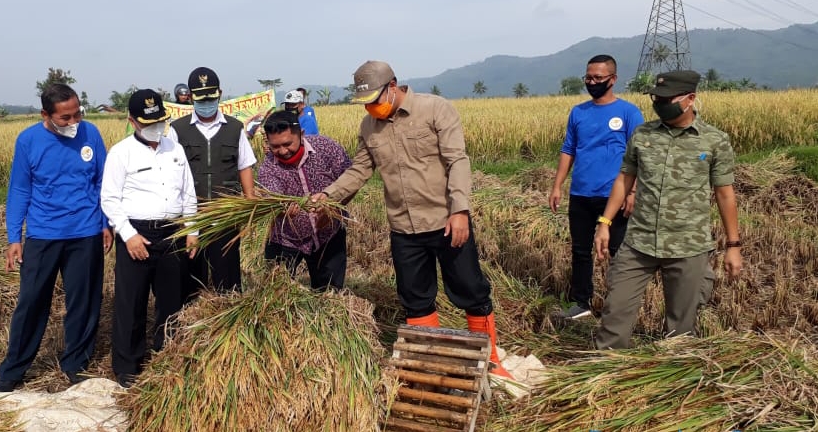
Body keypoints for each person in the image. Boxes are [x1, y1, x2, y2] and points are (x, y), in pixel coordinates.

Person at [311, 60, 513, 379]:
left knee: (471, 290)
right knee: (415, 298)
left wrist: (460, 210)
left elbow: (457, 160)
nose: (371, 108)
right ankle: (431, 363)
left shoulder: (435, 110)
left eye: (375, 100)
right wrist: (328, 196)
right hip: (404, 228)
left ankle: (490, 361)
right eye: (365, 104)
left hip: (446, 220)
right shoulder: (368, 127)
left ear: (393, 87)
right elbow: (360, 169)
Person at [593, 70, 744, 350]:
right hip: (639, 242)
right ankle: (607, 375)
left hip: (688, 246)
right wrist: (605, 222)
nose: (660, 103)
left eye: (667, 98)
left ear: (690, 99)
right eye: (656, 97)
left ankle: (670, 380)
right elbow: (624, 178)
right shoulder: (643, 135)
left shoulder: (714, 140)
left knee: (681, 328)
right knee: (615, 312)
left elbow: (725, 194)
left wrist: (733, 245)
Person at [0, 83, 113, 392]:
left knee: (84, 303)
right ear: (46, 114)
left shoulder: (91, 135)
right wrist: (13, 237)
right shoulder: (29, 141)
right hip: (43, 234)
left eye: (77, 114)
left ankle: (76, 365)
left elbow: (103, 181)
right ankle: (12, 371)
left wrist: (105, 223)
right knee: (32, 302)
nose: (74, 123)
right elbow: (20, 189)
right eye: (65, 118)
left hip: (85, 233)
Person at [100, 89, 198, 388]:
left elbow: (188, 192)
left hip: (172, 232)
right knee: (131, 303)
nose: (156, 127)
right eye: (148, 122)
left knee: (171, 301)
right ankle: (127, 367)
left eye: (160, 120)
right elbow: (109, 198)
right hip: (136, 232)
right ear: (132, 121)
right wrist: (128, 236)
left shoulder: (175, 149)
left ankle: (165, 357)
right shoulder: (121, 152)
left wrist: (192, 230)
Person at [548, 55, 644, 319]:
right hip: (580, 194)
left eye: (598, 78)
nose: (592, 82)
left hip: (614, 197)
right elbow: (568, 150)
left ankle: (621, 306)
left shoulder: (629, 113)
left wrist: (633, 192)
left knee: (618, 252)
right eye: (588, 78)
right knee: (580, 251)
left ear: (613, 80)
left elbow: (638, 157)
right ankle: (581, 303)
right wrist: (557, 186)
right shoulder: (579, 112)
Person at [170, 66, 257, 294]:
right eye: (201, 98)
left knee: (227, 278)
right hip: (191, 218)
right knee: (189, 278)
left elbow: (244, 166)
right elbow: (170, 172)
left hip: (225, 215)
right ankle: (189, 319)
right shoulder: (176, 130)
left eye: (211, 97)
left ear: (219, 93)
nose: (206, 102)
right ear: (190, 97)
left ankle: (227, 315)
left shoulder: (235, 128)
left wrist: (250, 206)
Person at [257, 111, 351, 290]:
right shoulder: (268, 167)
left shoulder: (326, 148)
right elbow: (273, 196)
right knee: (276, 291)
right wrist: (282, 210)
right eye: (275, 146)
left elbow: (350, 179)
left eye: (287, 144)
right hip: (286, 239)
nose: (283, 151)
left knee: (329, 294)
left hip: (328, 235)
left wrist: (335, 210)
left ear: (301, 134)